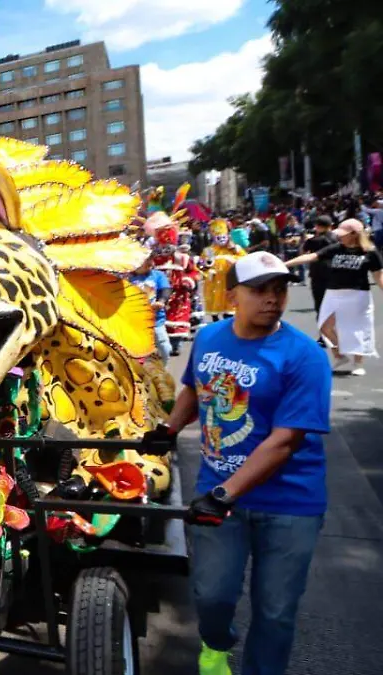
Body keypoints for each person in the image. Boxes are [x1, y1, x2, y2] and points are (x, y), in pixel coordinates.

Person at [158, 252, 331, 675]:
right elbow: (196, 389)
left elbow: (285, 441)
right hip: (220, 492)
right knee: (212, 595)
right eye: (259, 290)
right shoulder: (210, 338)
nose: (272, 299)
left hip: (289, 503)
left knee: (275, 611)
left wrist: (223, 495)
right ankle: (216, 643)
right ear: (232, 294)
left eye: (279, 290)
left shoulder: (305, 356)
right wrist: (168, 429)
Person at [285, 218, 383, 376]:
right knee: (324, 326)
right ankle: (340, 355)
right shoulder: (337, 248)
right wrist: (285, 264)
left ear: (353, 234)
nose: (340, 237)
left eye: (343, 234)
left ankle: (358, 363)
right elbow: (311, 257)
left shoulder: (370, 252)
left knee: (359, 328)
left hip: (358, 294)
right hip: (333, 292)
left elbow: (379, 277)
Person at [129, 257, 172, 361]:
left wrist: (161, 301)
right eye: (147, 260)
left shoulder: (158, 275)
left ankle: (161, 373)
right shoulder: (127, 278)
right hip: (134, 321)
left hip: (156, 320)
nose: (151, 263)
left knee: (165, 348)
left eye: (151, 260)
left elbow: (165, 289)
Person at [301, 215, 335, 331]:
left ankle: (325, 334)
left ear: (318, 227)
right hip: (336, 273)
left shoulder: (313, 240)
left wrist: (307, 239)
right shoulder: (338, 239)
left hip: (318, 274)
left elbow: (303, 252)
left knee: (320, 305)